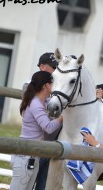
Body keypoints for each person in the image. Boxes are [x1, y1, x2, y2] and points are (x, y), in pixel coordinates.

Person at [10, 71, 63, 190]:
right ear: (46, 85)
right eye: (52, 83)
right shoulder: (35, 104)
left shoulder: (43, 102)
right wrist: (61, 118)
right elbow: (48, 128)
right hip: (25, 155)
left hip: (33, 156)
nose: (54, 85)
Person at [22, 52, 59, 190]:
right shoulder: (30, 87)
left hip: (51, 143)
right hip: (39, 143)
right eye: (53, 67)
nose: (56, 71)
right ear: (43, 67)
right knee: (28, 183)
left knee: (42, 183)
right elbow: (48, 119)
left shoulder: (55, 88)